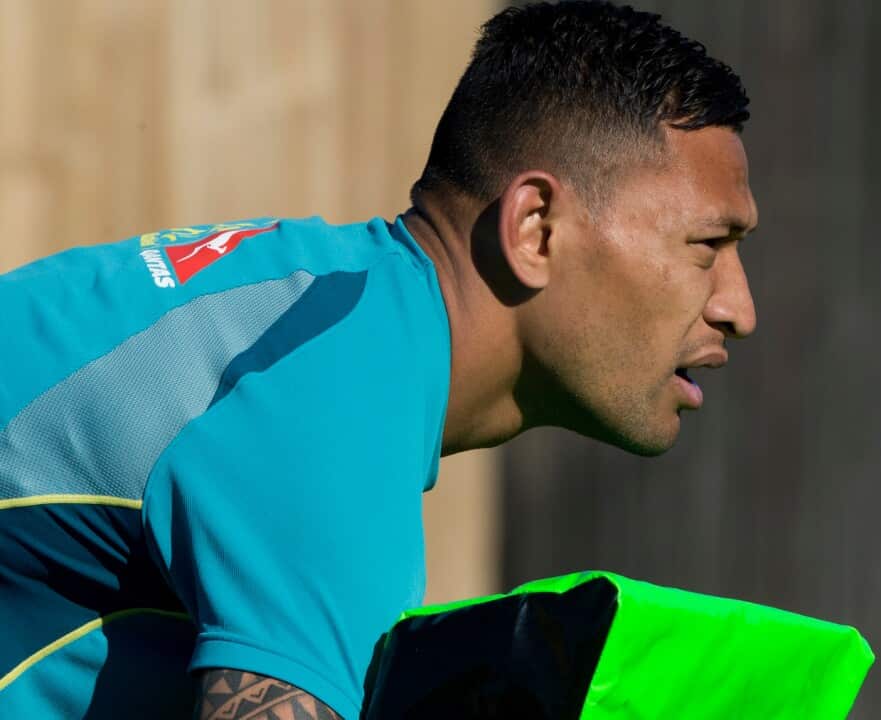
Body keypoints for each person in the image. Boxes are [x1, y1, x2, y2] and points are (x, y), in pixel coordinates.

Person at [0, 1, 757, 717]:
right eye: (706, 247)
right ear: (536, 229)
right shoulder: (335, 409)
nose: (739, 308)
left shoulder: (328, 316)